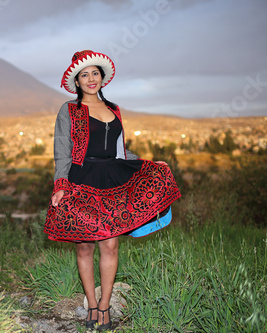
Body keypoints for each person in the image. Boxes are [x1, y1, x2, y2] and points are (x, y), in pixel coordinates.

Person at [44, 50, 181, 331]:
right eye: (85, 75)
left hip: (112, 180)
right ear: (77, 82)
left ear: (102, 77)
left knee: (110, 243)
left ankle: (105, 307)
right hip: (81, 179)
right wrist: (60, 186)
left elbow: (120, 151)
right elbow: (62, 152)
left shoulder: (114, 109)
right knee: (84, 247)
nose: (91, 79)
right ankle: (91, 305)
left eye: (95, 73)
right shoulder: (69, 110)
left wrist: (148, 163)